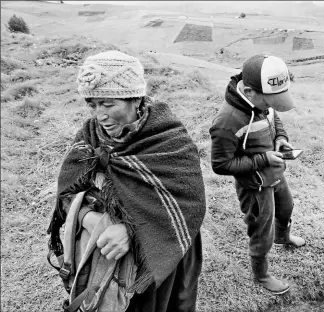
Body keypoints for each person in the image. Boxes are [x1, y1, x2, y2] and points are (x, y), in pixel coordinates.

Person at [47, 50, 206, 312]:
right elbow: (65, 196)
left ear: (134, 98)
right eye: (93, 104)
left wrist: (131, 231)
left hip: (161, 254)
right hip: (107, 256)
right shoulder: (89, 135)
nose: (100, 115)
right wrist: (91, 219)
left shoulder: (170, 140)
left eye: (108, 104)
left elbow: (189, 205)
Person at [209, 54, 305, 295]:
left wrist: (281, 139)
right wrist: (262, 159)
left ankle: (283, 237)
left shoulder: (264, 103)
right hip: (254, 186)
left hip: (275, 172)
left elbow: (275, 119)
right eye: (270, 101)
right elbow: (220, 164)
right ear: (250, 92)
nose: (273, 106)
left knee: (286, 207)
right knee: (261, 229)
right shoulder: (227, 121)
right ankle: (261, 275)